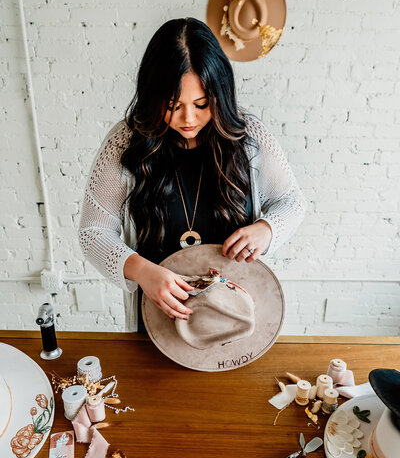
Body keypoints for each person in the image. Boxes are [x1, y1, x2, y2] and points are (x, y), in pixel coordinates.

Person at [79, 17, 306, 332]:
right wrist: (142, 271)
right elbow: (93, 232)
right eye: (173, 105)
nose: (188, 119)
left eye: (201, 104)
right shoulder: (125, 144)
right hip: (159, 314)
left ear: (220, 95)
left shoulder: (250, 137)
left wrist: (267, 229)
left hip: (234, 313)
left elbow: (291, 201)